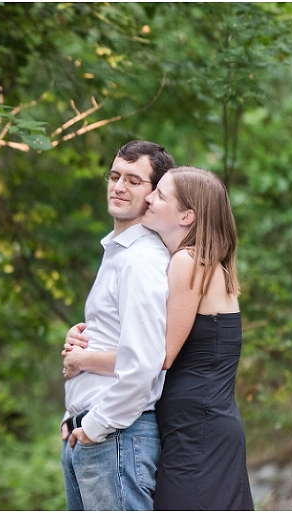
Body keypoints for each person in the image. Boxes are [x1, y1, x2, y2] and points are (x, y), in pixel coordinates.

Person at [63, 166, 254, 510]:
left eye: (160, 195)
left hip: (198, 430)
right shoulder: (198, 260)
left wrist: (83, 360)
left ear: (187, 216)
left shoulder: (187, 261)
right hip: (195, 422)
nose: (149, 197)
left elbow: (159, 356)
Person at [60, 140, 175, 510]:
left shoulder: (141, 261)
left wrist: (94, 426)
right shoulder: (118, 253)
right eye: (114, 176)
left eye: (134, 180)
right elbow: (112, 339)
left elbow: (144, 361)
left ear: (154, 193)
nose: (119, 186)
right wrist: (72, 417)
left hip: (116, 436)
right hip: (91, 433)